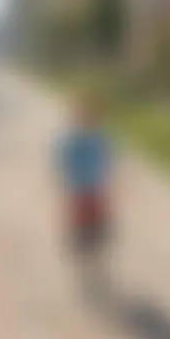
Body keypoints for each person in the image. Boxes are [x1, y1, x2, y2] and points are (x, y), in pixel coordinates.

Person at [57, 96, 113, 300]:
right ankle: (82, 277)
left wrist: (107, 190)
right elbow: (63, 167)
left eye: (93, 115)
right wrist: (69, 191)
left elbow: (108, 164)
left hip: (96, 192)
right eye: (84, 115)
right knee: (80, 235)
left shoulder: (101, 139)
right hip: (78, 193)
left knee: (98, 233)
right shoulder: (70, 141)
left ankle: (95, 271)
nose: (90, 119)